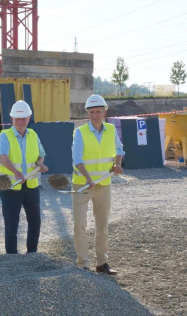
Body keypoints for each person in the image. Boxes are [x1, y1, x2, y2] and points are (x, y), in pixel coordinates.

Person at [71, 94, 124, 275]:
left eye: (98, 111)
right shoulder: (80, 132)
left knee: (102, 225)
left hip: (104, 185)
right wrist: (87, 178)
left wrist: (118, 164)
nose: (95, 115)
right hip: (82, 185)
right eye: (91, 112)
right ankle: (83, 264)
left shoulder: (111, 130)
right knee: (79, 224)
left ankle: (102, 263)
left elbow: (119, 150)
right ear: (87, 113)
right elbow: (77, 159)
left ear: (104, 112)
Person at [0, 100, 49, 254]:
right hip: (10, 186)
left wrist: (41, 165)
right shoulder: (4, 136)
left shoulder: (33, 135)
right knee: (11, 225)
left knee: (35, 222)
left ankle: (32, 254)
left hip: (31, 186)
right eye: (17, 119)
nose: (20, 122)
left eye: (23, 118)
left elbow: (41, 156)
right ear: (12, 119)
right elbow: (3, 157)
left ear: (28, 118)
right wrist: (15, 171)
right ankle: (12, 258)